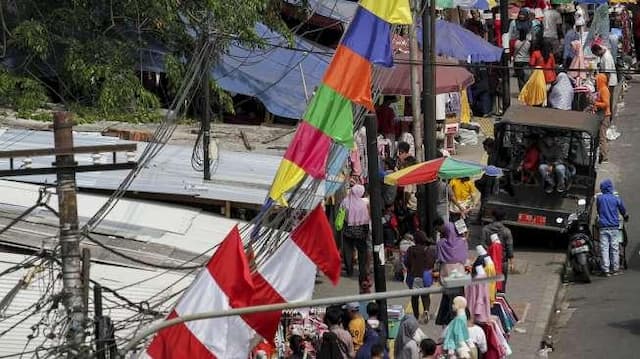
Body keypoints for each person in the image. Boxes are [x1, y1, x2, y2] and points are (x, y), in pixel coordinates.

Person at [596, 179, 629, 277]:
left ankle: (606, 270)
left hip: (603, 227)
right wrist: (625, 215)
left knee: (604, 248)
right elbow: (623, 209)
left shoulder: (600, 198)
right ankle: (615, 269)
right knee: (614, 248)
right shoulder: (615, 198)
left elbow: (598, 209)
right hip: (614, 226)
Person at [340, 185, 370, 289]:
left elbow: (341, 215)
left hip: (348, 230)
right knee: (362, 252)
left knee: (348, 250)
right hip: (360, 231)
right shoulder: (363, 203)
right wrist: (366, 231)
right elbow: (366, 219)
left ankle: (349, 270)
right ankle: (362, 272)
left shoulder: (345, 201)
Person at [405, 231, 437, 324]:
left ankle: (416, 316)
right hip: (425, 276)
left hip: (413, 276)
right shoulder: (430, 250)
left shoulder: (411, 249)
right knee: (425, 295)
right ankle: (426, 310)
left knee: (414, 297)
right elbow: (433, 262)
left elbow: (406, 262)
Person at [481, 209, 514, 292]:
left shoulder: (485, 229)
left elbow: (483, 245)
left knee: (488, 287)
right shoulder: (507, 231)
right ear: (503, 218)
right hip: (502, 262)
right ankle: (499, 301)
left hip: (488, 262)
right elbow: (509, 248)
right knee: (501, 287)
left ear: (493, 217)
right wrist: (512, 263)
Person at [591, 40, 618, 114]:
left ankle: (609, 116)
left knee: (608, 101)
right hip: (606, 82)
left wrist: (605, 85)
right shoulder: (604, 51)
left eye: (596, 54)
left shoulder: (606, 58)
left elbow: (607, 74)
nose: (597, 56)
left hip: (609, 82)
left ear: (598, 50)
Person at [512, 9, 533, 91]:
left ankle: (522, 92)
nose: (521, 16)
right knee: (526, 77)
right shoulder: (529, 42)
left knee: (520, 78)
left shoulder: (516, 42)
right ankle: (526, 92)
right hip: (527, 60)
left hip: (517, 60)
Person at [593, 73, 612, 163]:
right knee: (600, 137)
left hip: (604, 116)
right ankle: (600, 154)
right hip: (601, 115)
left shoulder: (604, 90)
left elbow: (606, 104)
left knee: (602, 137)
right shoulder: (601, 89)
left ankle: (604, 157)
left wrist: (595, 103)